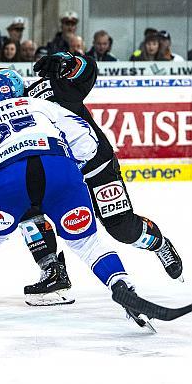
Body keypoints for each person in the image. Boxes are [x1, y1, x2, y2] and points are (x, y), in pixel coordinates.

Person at [0, 74, 146, 329]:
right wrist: (70, 167)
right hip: (60, 170)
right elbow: (85, 137)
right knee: (87, 243)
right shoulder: (39, 105)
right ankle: (124, 289)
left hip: (7, 179)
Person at [16, 53, 182, 305]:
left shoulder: (47, 88)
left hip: (96, 166)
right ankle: (53, 270)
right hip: (60, 173)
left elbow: (87, 73)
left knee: (121, 228)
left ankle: (158, 243)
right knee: (26, 207)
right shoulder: (5, 117)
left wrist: (71, 60)